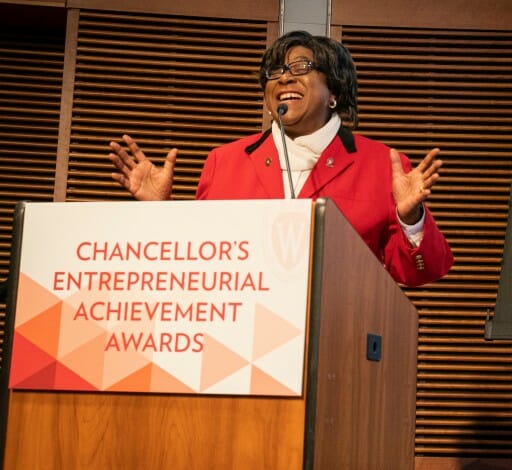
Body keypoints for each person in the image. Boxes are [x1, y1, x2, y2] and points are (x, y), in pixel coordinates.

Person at [108, 30, 453, 287]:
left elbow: (421, 272)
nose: (284, 76)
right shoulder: (225, 161)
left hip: (338, 341)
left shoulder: (380, 165)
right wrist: (161, 214)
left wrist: (412, 218)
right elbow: (201, 267)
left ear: (334, 90)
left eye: (301, 66)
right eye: (275, 71)